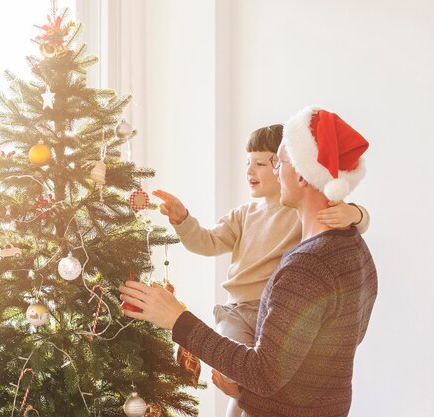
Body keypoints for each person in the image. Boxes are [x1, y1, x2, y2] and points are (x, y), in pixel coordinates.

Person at [119, 105, 378, 417]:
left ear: (302, 174)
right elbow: (308, 357)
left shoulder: (307, 267)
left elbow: (264, 373)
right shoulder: (354, 250)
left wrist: (177, 320)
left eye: (278, 163)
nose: (274, 171)